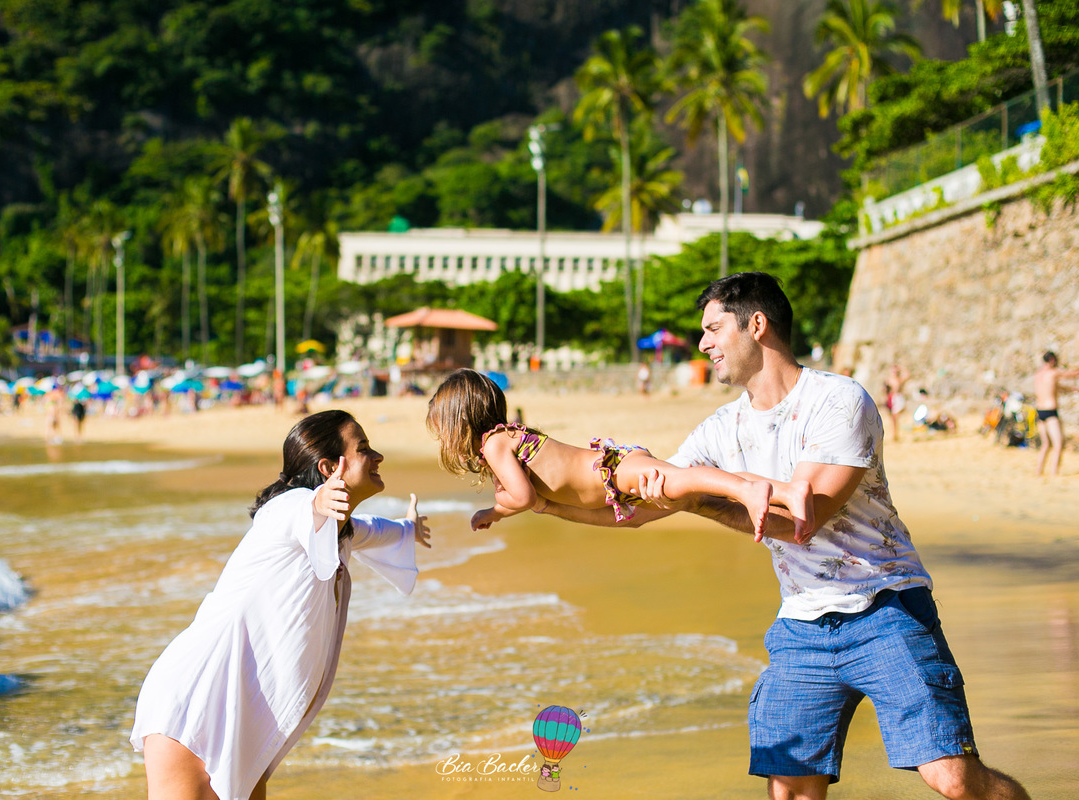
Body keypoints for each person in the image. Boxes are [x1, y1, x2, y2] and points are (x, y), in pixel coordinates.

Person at [538, 272, 1029, 800]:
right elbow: (634, 510)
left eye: (712, 328)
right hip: (800, 626)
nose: (703, 344)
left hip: (886, 607)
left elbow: (804, 520)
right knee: (789, 791)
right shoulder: (719, 430)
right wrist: (545, 504)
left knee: (954, 780)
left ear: (757, 324)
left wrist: (697, 498)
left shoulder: (839, 401)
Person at [130, 410, 432, 800]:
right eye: (364, 449)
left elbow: (377, 529)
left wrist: (409, 527)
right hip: (199, 697)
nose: (378, 456)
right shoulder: (286, 509)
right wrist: (319, 501)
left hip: (244, 716)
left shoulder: (344, 533)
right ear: (328, 467)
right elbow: (300, 510)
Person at [425, 368, 813, 539]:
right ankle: (786, 495)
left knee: (686, 478)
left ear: (462, 422)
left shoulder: (495, 443)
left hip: (610, 471)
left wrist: (493, 511)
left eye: (443, 430)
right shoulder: (501, 444)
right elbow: (539, 500)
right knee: (679, 492)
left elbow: (524, 497)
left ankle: (758, 491)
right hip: (612, 487)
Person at [1033, 351, 1079, 476]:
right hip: (1050, 412)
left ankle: (1038, 472)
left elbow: (1053, 387)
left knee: (1045, 445)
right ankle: (1054, 473)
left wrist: (1070, 389)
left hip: (1040, 411)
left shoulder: (1038, 374)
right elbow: (1075, 374)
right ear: (1052, 360)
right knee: (1058, 444)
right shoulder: (1053, 372)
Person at [884, 363, 910, 442]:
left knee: (896, 416)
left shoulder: (900, 379)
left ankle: (896, 434)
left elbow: (908, 374)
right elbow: (885, 390)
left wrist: (902, 368)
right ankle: (895, 435)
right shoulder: (889, 380)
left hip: (898, 398)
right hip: (891, 398)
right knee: (893, 418)